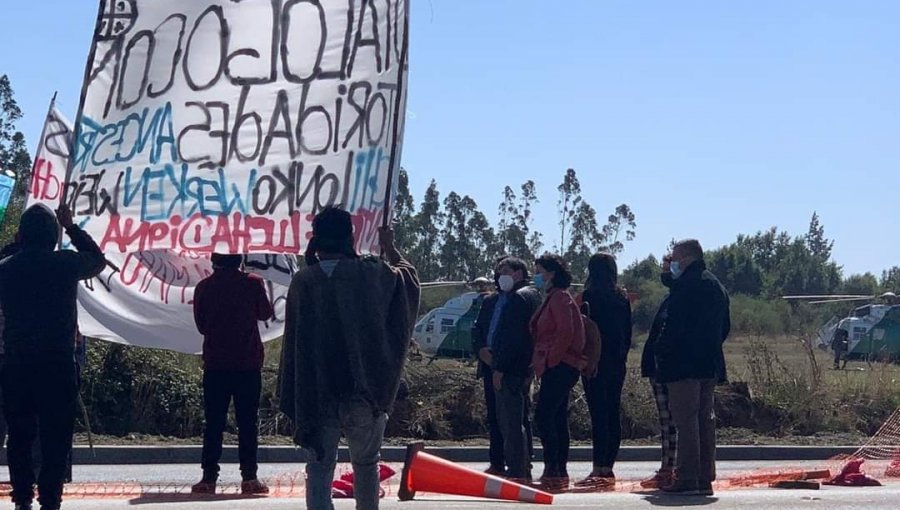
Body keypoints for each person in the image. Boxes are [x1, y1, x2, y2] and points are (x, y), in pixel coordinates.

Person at [278, 208, 420, 510]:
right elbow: (408, 284)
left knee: (318, 464)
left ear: (316, 238)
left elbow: (294, 346)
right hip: (364, 390)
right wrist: (391, 249)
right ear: (350, 236)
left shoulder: (304, 281)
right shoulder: (371, 274)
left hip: (315, 392)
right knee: (366, 464)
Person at [0, 204, 105, 510]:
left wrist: (17, 245)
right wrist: (72, 227)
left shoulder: (7, 269)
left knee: (19, 437)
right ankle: (50, 500)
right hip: (58, 364)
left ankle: (22, 499)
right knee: (55, 438)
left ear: (22, 235)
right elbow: (98, 261)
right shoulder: (65, 264)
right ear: (53, 235)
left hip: (17, 364)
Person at [191, 253, 274, 495]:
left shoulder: (204, 287)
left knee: (214, 422)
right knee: (248, 422)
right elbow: (265, 313)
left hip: (216, 363)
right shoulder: (252, 283)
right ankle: (249, 477)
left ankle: (208, 478)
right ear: (240, 260)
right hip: (247, 363)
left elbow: (201, 325)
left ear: (213, 261)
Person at [655, 240, 730, 496]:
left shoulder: (685, 286)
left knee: (685, 421)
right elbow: (725, 327)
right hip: (709, 363)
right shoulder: (716, 286)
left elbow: (673, 327)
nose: (671, 262)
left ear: (686, 258)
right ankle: (704, 476)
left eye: (674, 258)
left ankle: (687, 476)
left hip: (683, 364)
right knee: (704, 420)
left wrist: (662, 354)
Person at [472, 257, 541, 481]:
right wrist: (481, 349)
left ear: (519, 273)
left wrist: (501, 365)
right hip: (489, 364)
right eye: (499, 270)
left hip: (512, 368)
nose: (501, 275)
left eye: (507, 270)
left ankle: (520, 467)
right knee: (496, 417)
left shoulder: (523, 297)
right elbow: (478, 329)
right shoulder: (491, 300)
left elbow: (516, 338)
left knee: (515, 420)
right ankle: (498, 463)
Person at [575, 253, 632, 487]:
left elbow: (584, 333)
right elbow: (627, 333)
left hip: (594, 362)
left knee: (598, 414)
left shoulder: (589, 298)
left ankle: (598, 466)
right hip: (617, 362)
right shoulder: (622, 298)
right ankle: (608, 466)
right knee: (612, 412)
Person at [530, 254, 585, 489]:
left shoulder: (560, 298)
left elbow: (566, 332)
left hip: (561, 366)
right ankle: (557, 469)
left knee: (544, 415)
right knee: (557, 416)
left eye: (539, 271)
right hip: (556, 365)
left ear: (551, 273)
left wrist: (552, 360)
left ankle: (553, 467)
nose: (537, 276)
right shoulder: (553, 297)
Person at [638, 255, 678, 489]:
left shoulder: (682, 300)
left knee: (675, 424)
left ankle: (671, 470)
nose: (664, 274)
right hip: (658, 370)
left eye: (668, 269)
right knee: (666, 424)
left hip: (672, 370)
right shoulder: (668, 299)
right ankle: (667, 468)